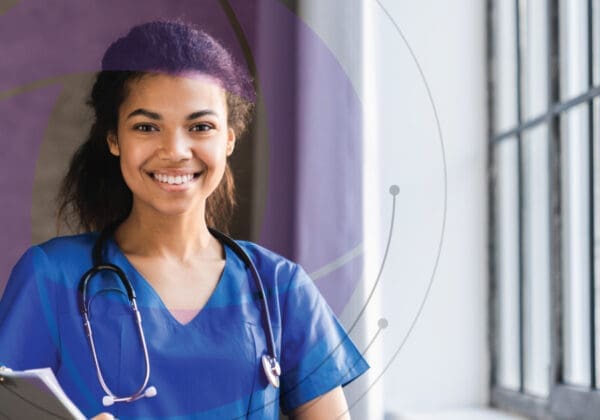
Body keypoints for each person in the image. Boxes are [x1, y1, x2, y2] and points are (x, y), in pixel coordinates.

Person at [0, 19, 368, 419]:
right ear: (113, 138)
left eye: (200, 126)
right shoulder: (50, 279)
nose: (175, 150)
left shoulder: (281, 289)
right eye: (146, 126)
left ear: (229, 137)